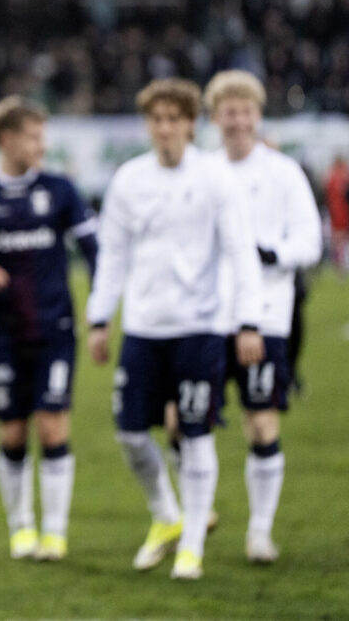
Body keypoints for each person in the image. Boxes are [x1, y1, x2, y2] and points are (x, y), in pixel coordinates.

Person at [85, 78, 264, 580]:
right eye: (156, 120)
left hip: (199, 328)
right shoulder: (129, 180)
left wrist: (248, 320)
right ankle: (167, 515)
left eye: (173, 119)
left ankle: (191, 548)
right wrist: (100, 316)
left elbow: (240, 251)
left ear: (190, 124)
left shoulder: (214, 178)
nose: (164, 129)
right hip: (143, 328)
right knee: (129, 434)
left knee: (195, 432)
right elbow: (113, 254)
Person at [0, 96, 97, 561]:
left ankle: (55, 534)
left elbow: (95, 249)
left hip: (55, 329)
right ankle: (21, 528)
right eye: (33, 137)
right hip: (3, 333)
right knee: (12, 432)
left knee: (52, 426)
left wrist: (100, 307)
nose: (41, 146)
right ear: (6, 139)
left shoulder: (60, 190)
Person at [203, 70, 322, 563]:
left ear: (258, 114)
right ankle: (195, 512)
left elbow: (310, 240)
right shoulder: (203, 171)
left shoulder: (283, 172)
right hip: (209, 316)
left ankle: (259, 532)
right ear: (215, 118)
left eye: (246, 111)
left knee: (261, 420)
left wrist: (271, 254)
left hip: (267, 315)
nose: (238, 120)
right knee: (183, 419)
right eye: (229, 112)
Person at [325, 155, 349, 272]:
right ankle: (341, 265)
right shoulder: (343, 177)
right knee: (341, 240)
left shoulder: (331, 177)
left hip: (336, 213)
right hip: (341, 213)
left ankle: (339, 265)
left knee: (338, 241)